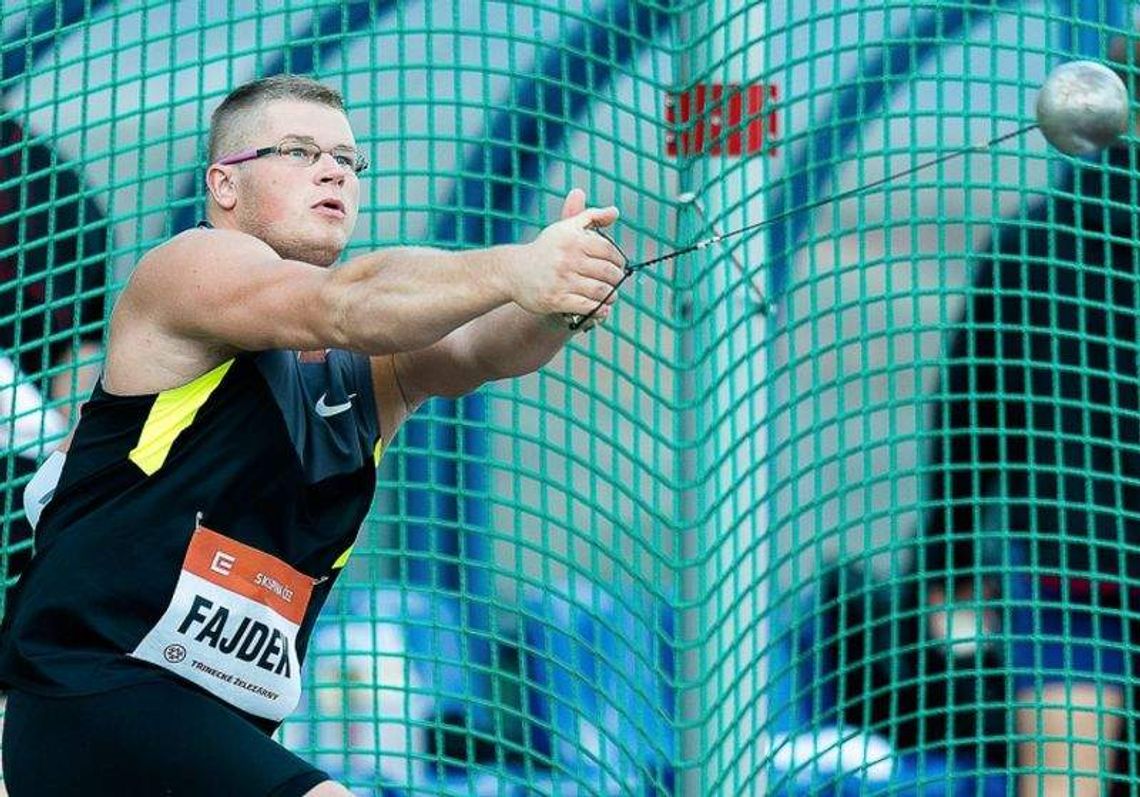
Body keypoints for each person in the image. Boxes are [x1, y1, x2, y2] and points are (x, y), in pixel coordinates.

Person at [0, 75, 626, 796]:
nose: (334, 171)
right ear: (223, 184)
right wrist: (515, 265)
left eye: (348, 160)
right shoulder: (188, 268)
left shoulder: (364, 370)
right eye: (299, 152)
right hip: (98, 695)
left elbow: (479, 349)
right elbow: (348, 303)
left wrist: (558, 299)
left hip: (215, 731)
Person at [919, 41, 1140, 797]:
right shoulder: (1037, 242)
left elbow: (971, 413)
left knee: (1060, 786)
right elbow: (975, 406)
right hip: (1070, 565)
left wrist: (943, 564)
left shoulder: (1037, 236)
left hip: (1069, 558)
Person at [0, 116, 110, 589]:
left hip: (24, 466)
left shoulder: (46, 180)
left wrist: (67, 462)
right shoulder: (55, 179)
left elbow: (80, 348)